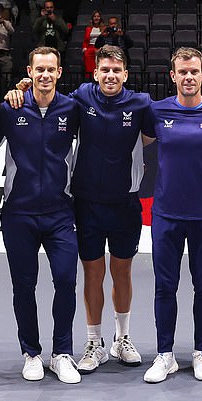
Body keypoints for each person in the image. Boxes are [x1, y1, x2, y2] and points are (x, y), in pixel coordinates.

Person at [140, 47, 202, 383]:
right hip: (166, 214)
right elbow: (133, 138)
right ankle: (165, 355)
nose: (187, 77)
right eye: (181, 72)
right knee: (164, 286)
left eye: (193, 71)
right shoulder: (156, 111)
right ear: (173, 76)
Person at [0, 46, 81, 384]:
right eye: (38, 69)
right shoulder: (9, 108)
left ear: (59, 73)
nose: (45, 75)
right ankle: (31, 353)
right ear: (29, 71)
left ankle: (61, 353)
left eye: (51, 70)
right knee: (24, 286)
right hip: (19, 213)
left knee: (66, 281)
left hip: (60, 213)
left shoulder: (72, 109)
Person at [68, 45, 152, 374]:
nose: (110, 75)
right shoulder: (81, 97)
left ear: (126, 74)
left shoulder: (141, 104)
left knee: (122, 272)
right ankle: (94, 342)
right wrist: (20, 91)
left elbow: (174, 118)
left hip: (125, 204)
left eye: (117, 70)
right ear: (96, 73)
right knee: (92, 273)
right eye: (105, 70)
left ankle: (122, 338)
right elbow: (46, 100)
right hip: (86, 203)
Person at [81, 10, 105, 76]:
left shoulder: (103, 28)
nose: (96, 18)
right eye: (95, 16)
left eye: (98, 16)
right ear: (92, 18)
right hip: (90, 48)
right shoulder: (88, 28)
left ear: (100, 18)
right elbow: (85, 40)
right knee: (89, 68)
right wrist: (84, 48)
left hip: (99, 48)